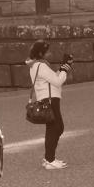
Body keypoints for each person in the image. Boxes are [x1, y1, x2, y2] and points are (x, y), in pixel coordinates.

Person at [27, 40, 73, 169]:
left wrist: (63, 67)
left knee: (54, 128)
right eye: (47, 51)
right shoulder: (40, 66)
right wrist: (65, 68)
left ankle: (49, 158)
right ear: (41, 53)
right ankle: (49, 160)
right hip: (50, 99)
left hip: (49, 98)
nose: (50, 53)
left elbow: (53, 78)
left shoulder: (37, 65)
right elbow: (58, 81)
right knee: (57, 127)